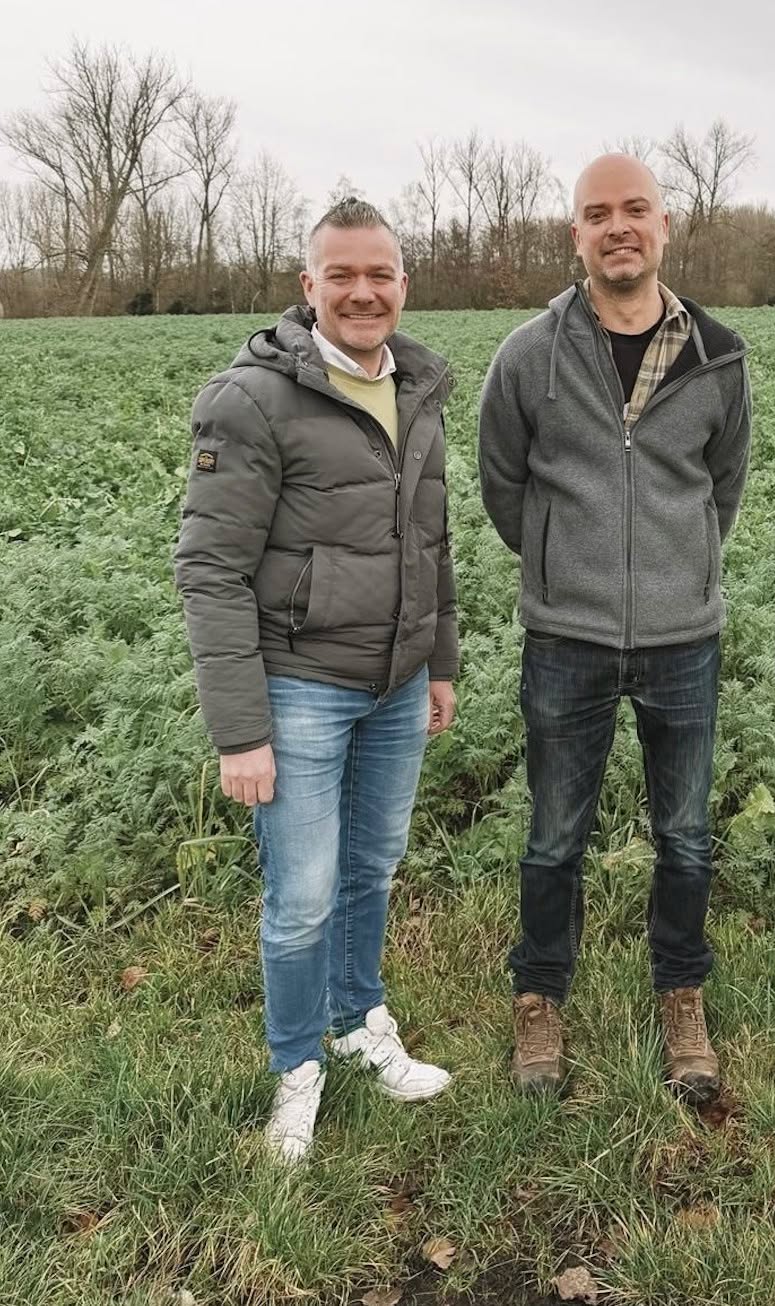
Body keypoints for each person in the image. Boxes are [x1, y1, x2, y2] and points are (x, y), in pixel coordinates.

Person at [174, 198, 458, 1163]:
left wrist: (439, 662)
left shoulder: (418, 388)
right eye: (342, 275)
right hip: (298, 684)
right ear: (310, 287)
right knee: (300, 893)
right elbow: (208, 569)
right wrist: (239, 730)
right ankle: (297, 1067)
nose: (363, 292)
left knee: (372, 869)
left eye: (379, 274)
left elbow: (432, 542)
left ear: (403, 285)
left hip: (395, 686)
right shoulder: (249, 400)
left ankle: (357, 1021)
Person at [477, 153, 752, 1102]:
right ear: (577, 236)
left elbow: (724, 486)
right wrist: (563, 562)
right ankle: (540, 998)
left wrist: (680, 569)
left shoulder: (719, 355)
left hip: (685, 638)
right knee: (556, 833)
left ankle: (681, 994)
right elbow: (504, 485)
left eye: (635, 209)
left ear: (665, 225)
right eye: (599, 214)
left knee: (684, 833)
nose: (618, 227)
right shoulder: (527, 354)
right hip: (568, 636)